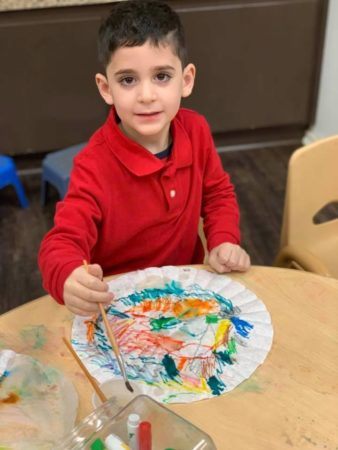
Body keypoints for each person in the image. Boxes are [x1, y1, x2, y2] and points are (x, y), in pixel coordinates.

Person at [38, 0, 250, 316]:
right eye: (128, 80)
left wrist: (222, 240)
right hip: (120, 306)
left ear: (186, 80)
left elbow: (217, 194)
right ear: (106, 88)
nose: (147, 95)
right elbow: (63, 240)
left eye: (162, 76)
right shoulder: (93, 165)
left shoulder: (196, 130)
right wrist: (66, 274)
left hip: (186, 292)